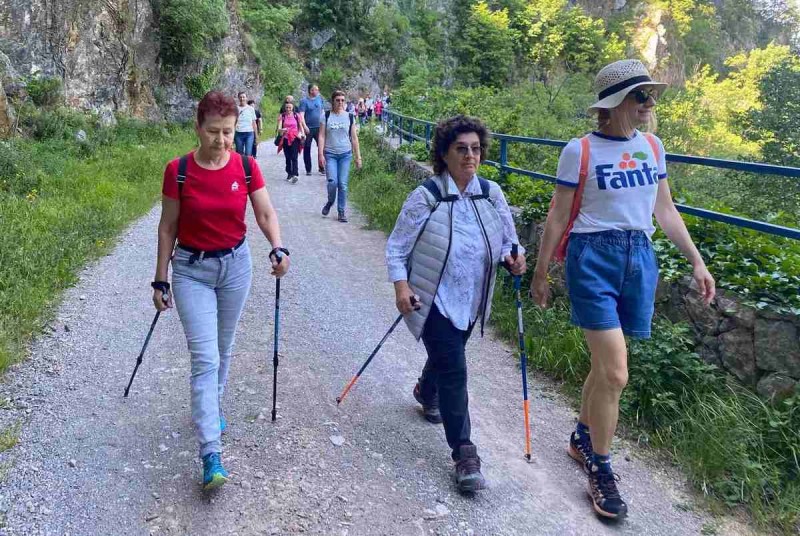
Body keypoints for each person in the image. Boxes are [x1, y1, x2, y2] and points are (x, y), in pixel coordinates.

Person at [529, 59, 716, 520]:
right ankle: (601, 466)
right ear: (614, 105)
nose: (650, 104)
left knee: (603, 364)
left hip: (639, 258)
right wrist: (540, 272)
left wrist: (697, 261)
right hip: (592, 257)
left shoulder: (653, 146)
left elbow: (664, 210)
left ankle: (581, 438)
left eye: (650, 95)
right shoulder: (580, 151)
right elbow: (558, 214)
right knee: (616, 373)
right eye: (641, 96)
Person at [152, 91, 290, 491]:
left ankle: (211, 407)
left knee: (224, 348)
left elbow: (264, 212)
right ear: (198, 128)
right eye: (213, 131)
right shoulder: (177, 170)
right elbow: (167, 228)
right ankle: (211, 452)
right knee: (205, 357)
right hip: (192, 270)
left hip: (235, 267)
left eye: (228, 132)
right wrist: (160, 279)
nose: (221, 140)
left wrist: (277, 246)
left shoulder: (246, 167)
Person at [385, 115, 526, 493]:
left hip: (472, 300)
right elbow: (397, 248)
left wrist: (515, 260)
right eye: (461, 149)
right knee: (455, 369)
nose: (470, 156)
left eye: (476, 149)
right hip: (433, 300)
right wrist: (401, 288)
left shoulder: (491, 194)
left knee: (448, 361)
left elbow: (510, 244)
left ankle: (425, 391)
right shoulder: (426, 196)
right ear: (444, 154)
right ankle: (464, 453)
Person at [318, 90, 362, 223]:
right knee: (332, 182)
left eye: (343, 100)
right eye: (338, 100)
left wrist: (358, 157)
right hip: (330, 153)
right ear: (333, 101)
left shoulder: (349, 116)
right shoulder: (325, 116)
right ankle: (330, 201)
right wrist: (320, 154)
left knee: (342, 184)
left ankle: (341, 211)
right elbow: (321, 135)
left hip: (345, 154)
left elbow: (354, 138)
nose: (340, 103)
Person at [298, 84, 325, 176]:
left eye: (317, 89)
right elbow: (301, 115)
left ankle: (322, 167)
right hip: (309, 128)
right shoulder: (304, 101)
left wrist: (324, 124)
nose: (317, 91)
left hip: (319, 127)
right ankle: (308, 169)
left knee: (322, 147)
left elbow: (322, 112)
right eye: (315, 90)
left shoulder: (320, 99)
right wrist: (304, 126)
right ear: (310, 91)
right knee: (307, 148)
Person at [277, 101, 305, 184]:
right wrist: (282, 130)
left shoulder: (297, 116)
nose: (288, 109)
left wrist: (303, 134)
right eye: (287, 107)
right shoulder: (282, 116)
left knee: (294, 156)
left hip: (295, 138)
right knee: (288, 157)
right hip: (285, 138)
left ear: (293, 108)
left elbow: (300, 126)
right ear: (284, 108)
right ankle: (289, 172)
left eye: (290, 107)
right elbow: (279, 129)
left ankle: (295, 174)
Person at [234, 91, 258, 156]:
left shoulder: (251, 109)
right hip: (238, 133)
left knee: (248, 153)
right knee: (239, 153)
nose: (242, 99)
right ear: (238, 98)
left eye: (243, 97)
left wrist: (256, 136)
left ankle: (247, 166)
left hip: (249, 133)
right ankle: (240, 166)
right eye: (240, 97)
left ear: (246, 98)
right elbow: (233, 122)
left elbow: (254, 123)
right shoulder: (235, 109)